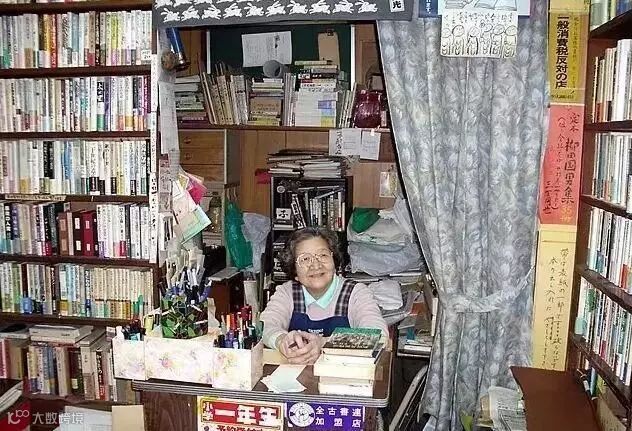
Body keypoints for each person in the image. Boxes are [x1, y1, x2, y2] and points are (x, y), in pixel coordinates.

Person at [260, 227, 388, 365]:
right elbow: (264, 326)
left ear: (334, 261)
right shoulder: (287, 292)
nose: (315, 265)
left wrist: (323, 343)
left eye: (323, 255)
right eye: (305, 259)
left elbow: (379, 335)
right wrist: (282, 341)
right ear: (294, 271)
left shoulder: (356, 293)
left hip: (343, 372)